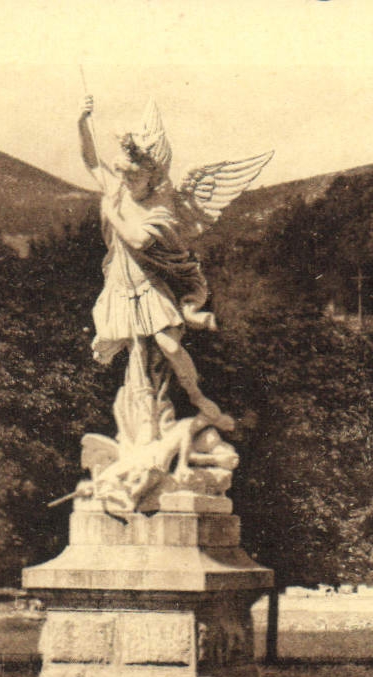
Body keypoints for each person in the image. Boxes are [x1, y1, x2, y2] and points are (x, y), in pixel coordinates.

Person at [79, 96, 271, 431]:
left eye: (134, 178)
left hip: (149, 287)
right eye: (125, 175)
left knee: (168, 344)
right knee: (134, 353)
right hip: (121, 287)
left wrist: (110, 212)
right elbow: (93, 161)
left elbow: (138, 240)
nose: (127, 182)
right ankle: (142, 425)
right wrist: (82, 122)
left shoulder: (162, 209)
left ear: (152, 178)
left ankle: (196, 397)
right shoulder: (120, 189)